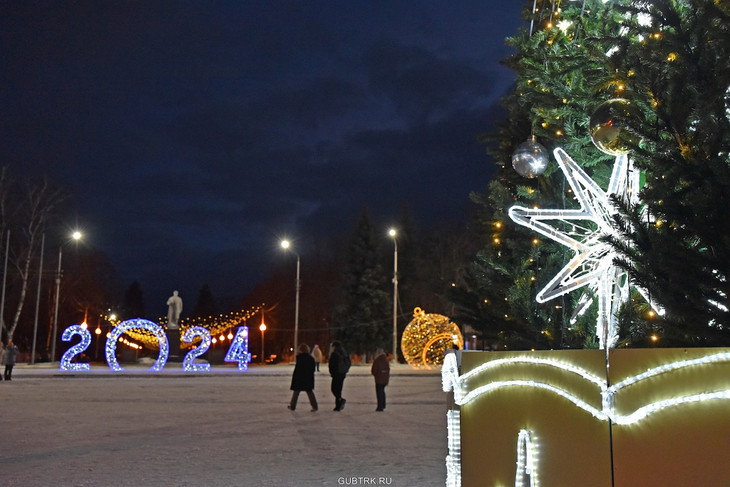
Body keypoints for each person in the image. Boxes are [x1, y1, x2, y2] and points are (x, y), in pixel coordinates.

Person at [288, 343, 318, 412]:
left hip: (299, 378)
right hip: (308, 378)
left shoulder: (299, 358)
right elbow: (313, 369)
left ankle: (292, 406)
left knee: (296, 393)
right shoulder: (311, 358)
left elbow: (298, 369)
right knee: (310, 392)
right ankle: (315, 406)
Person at [328, 341, 350, 411]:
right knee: (339, 389)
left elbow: (332, 364)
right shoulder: (344, 353)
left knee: (334, 389)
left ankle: (340, 401)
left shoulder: (335, 354)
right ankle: (338, 405)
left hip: (336, 374)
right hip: (342, 374)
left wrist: (331, 372)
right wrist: (345, 370)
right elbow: (349, 362)